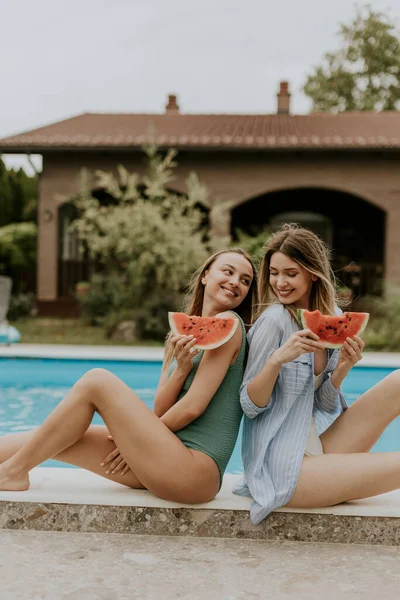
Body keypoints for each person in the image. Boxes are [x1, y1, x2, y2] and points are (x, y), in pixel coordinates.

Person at [0, 248, 258, 504]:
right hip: (164, 458)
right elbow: (160, 407)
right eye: (228, 271)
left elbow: (192, 408)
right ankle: (13, 469)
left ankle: (14, 472)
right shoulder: (177, 337)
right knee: (58, 434)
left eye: (245, 280)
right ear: (205, 275)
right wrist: (181, 369)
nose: (235, 282)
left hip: (194, 472)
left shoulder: (230, 325)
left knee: (96, 381)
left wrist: (133, 443)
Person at [233, 223, 400, 525]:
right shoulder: (273, 322)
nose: (280, 283)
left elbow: (324, 405)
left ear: (312, 272)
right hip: (285, 468)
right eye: (274, 273)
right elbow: (248, 405)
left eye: (290, 273)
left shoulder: (331, 316)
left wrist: (342, 369)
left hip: (316, 446)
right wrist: (276, 361)